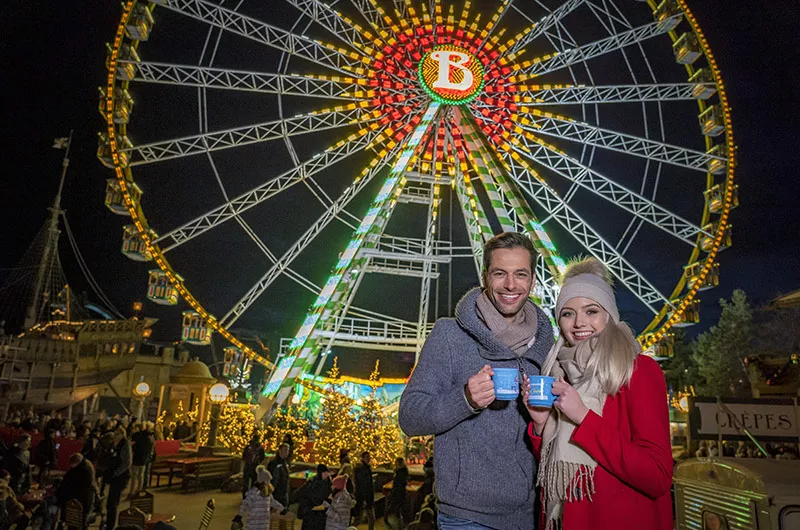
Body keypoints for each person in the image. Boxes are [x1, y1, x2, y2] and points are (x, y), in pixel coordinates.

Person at [399, 232, 554, 529]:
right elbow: (410, 416)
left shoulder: (547, 344)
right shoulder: (449, 335)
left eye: (520, 274)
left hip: (533, 513)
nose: (511, 285)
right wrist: (465, 399)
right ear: (485, 277)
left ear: (533, 281)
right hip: (467, 517)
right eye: (500, 273)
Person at [522, 257, 673, 530]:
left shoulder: (638, 371)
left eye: (591, 311)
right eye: (567, 313)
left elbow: (657, 476)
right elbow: (557, 467)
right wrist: (541, 423)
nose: (579, 322)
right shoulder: (558, 373)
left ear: (609, 315)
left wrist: (583, 417)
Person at [232, 465, 286, 530]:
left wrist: (282, 509)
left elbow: (273, 502)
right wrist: (239, 515)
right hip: (253, 524)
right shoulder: (253, 493)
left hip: (264, 524)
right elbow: (245, 504)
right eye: (267, 481)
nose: (269, 483)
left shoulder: (268, 494)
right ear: (262, 481)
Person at [55, 453, 98, 530]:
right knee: (80, 522)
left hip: (78, 502)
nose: (70, 466)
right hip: (83, 501)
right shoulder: (85, 468)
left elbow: (70, 484)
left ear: (76, 462)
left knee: (76, 522)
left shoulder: (81, 471)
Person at [104, 426, 132, 530]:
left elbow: (126, 462)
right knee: (110, 502)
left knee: (113, 502)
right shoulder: (115, 445)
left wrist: (116, 473)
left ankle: (110, 525)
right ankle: (108, 521)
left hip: (120, 477)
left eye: (117, 434)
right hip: (114, 476)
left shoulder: (125, 445)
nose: (115, 436)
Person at [296, 464, 331, 530]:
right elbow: (308, 495)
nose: (327, 474)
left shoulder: (325, 482)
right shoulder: (315, 483)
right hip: (313, 513)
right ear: (322, 473)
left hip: (318, 514)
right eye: (325, 472)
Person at [130, 422, 154, 497]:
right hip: (144, 459)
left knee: (134, 475)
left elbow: (136, 447)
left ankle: (132, 491)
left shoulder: (140, 437)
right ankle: (139, 490)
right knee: (141, 475)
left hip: (137, 458)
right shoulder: (150, 438)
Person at [384, 456, 408, 530]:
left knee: (392, 505)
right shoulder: (404, 471)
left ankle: (388, 518)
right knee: (399, 508)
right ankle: (400, 524)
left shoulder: (399, 472)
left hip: (397, 492)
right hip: (401, 492)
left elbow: (397, 483)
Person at [353, 452, 375, 530]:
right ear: (363, 458)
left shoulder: (366, 468)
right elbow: (363, 485)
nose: (368, 459)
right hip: (364, 497)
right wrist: (364, 499)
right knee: (365, 518)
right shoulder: (363, 469)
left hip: (366, 497)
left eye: (369, 457)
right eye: (366, 457)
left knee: (363, 518)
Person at [266, 443, 291, 507]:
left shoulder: (286, 462)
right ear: (279, 451)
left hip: (284, 492)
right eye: (285, 450)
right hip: (276, 493)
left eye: (287, 451)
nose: (287, 453)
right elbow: (271, 479)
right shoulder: (273, 463)